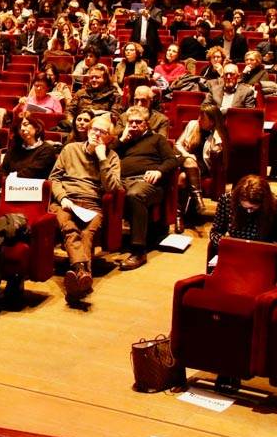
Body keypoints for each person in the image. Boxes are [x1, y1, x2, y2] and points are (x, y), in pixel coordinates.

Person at [48, 115, 122, 303]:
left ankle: (78, 275)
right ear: (87, 130)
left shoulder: (112, 158)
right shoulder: (70, 149)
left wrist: (102, 158)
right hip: (67, 201)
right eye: (94, 129)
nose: (96, 134)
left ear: (110, 138)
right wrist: (63, 197)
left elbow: (111, 188)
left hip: (92, 204)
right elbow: (54, 178)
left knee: (88, 234)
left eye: (102, 132)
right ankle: (83, 274)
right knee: (70, 229)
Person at [116, 105, 180, 270]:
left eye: (138, 122)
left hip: (147, 183)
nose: (134, 125)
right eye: (131, 122)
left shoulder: (157, 139)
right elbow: (107, 154)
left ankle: (138, 251)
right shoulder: (124, 142)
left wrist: (158, 171)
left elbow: (173, 161)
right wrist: (122, 140)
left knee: (135, 195)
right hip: (121, 181)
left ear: (147, 123)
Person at [208, 174, 277, 270]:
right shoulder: (226, 200)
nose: (249, 212)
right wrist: (226, 245)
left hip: (264, 256)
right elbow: (215, 232)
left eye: (252, 208)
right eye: (245, 207)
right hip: (235, 252)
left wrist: (272, 250)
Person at [173, 103, 225, 225]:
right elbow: (177, 145)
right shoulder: (192, 125)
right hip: (184, 159)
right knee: (189, 160)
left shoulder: (217, 134)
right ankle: (198, 200)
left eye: (203, 118)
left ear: (212, 121)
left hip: (202, 166)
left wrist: (217, 138)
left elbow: (218, 154)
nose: (199, 120)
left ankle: (178, 215)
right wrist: (187, 154)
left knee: (182, 178)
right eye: (199, 116)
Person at [0, 114, 59, 181]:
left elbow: (32, 173)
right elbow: (3, 171)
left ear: (36, 127)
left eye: (25, 124)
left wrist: (9, 179)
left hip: (33, 188)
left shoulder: (47, 150)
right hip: (10, 187)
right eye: (19, 127)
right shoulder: (14, 149)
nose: (22, 129)